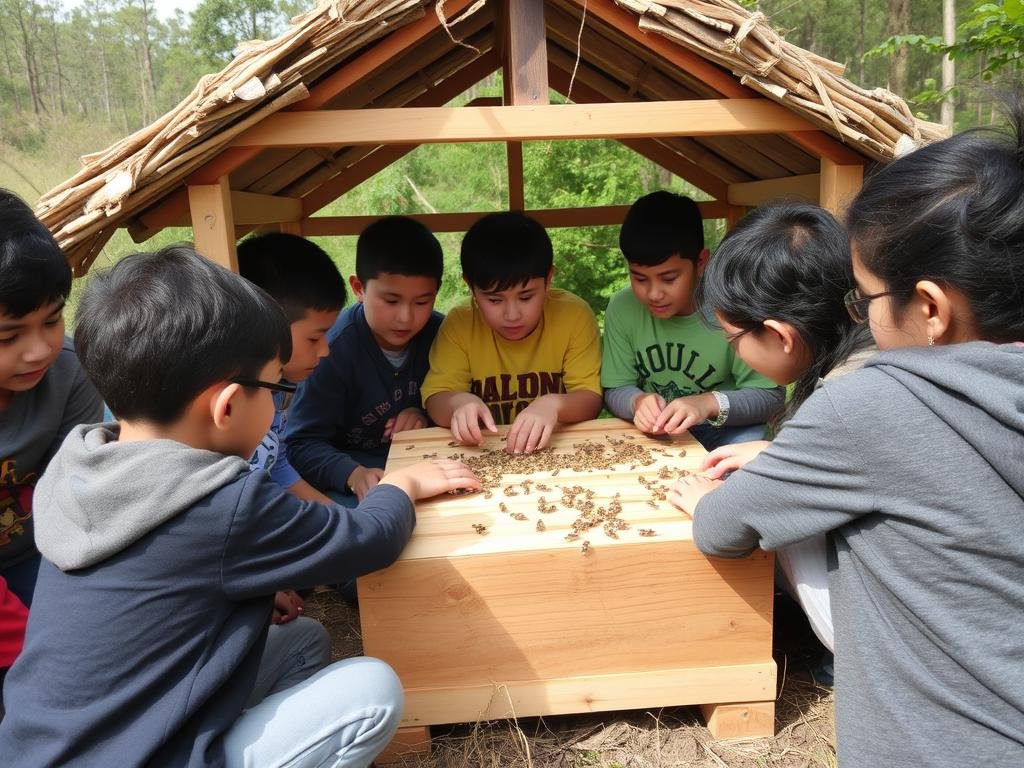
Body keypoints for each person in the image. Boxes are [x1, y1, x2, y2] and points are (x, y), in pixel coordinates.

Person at [0, 246, 480, 767]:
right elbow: (370, 540)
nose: (278, 404)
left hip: (49, 749)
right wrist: (402, 484)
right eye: (276, 387)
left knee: (302, 642)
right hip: (143, 754)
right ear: (227, 406)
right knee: (373, 690)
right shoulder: (222, 502)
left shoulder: (77, 464)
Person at [669, 108, 1024, 768]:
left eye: (863, 298)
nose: (855, 316)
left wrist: (711, 501)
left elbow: (722, 528)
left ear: (930, 308)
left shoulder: (870, 400)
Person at [692, 200, 875, 659]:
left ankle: (843, 658)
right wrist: (776, 456)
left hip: (894, 645)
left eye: (733, 339)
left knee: (778, 527)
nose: (734, 353)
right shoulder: (873, 351)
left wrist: (704, 502)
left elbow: (720, 529)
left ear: (779, 335)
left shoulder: (841, 403)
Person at [601, 191, 784, 451]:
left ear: (700, 262)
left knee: (749, 445)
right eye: (640, 279)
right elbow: (615, 388)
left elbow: (769, 396)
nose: (654, 293)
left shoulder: (732, 306)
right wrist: (637, 402)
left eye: (668, 278)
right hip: (657, 433)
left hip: (725, 429)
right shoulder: (623, 308)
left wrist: (707, 404)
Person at [287, 217, 444, 504]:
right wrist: (352, 474)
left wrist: (425, 413)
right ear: (359, 288)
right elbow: (300, 443)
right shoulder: (330, 349)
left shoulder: (442, 335)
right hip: (354, 478)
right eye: (391, 301)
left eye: (422, 302)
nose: (405, 317)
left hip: (426, 466)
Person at [421, 211, 602, 454]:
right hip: (484, 452)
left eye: (526, 297)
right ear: (470, 286)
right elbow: (435, 399)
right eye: (495, 300)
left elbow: (591, 399)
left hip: (558, 449)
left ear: (549, 279)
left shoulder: (573, 315)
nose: (512, 315)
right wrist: (458, 403)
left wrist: (553, 405)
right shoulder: (460, 323)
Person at [0, 191, 104, 608]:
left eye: (52, 320)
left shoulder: (70, 371)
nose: (40, 350)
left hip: (39, 553)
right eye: (8, 337)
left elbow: (74, 496)